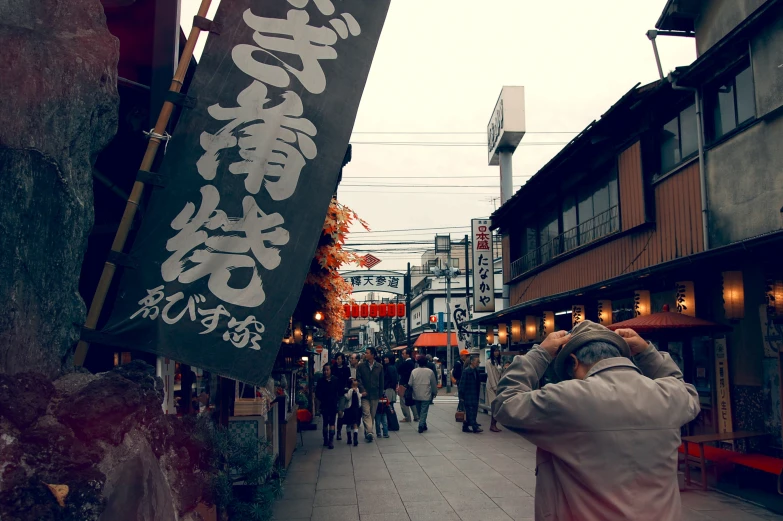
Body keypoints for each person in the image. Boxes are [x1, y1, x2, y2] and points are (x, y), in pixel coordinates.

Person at [492, 321, 701, 521]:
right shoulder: (668, 395)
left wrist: (540, 353)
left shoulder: (569, 398)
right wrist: (647, 352)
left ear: (574, 362)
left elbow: (506, 403)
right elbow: (682, 387)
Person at [356, 347, 384, 442]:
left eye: (367, 353)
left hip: (375, 394)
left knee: (372, 415)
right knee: (366, 413)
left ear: (373, 355)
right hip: (365, 394)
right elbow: (358, 380)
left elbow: (381, 381)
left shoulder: (379, 366)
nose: (365, 354)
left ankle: (367, 432)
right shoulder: (361, 366)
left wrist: (381, 393)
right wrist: (362, 390)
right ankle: (370, 432)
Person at [409, 355, 438, 433]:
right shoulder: (430, 372)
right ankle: (421, 425)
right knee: (424, 411)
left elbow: (410, 383)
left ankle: (422, 424)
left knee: (419, 411)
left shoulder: (414, 371)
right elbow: (433, 383)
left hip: (416, 394)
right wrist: (434, 392)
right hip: (426, 394)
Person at [315, 364, 341, 449]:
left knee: (332, 422)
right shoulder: (320, 381)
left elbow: (338, 392)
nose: (326, 372)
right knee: (325, 422)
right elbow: (317, 393)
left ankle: (331, 440)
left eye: (327, 370)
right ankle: (325, 439)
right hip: (324, 404)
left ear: (330, 371)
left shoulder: (335, 380)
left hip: (333, 404)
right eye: (324, 370)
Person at [459, 354, 482, 433]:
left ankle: (465, 426)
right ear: (472, 362)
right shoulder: (466, 371)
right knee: (470, 411)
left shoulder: (476, 371)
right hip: (468, 394)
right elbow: (462, 384)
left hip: (474, 393)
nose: (478, 363)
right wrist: (461, 396)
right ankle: (474, 427)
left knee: (473, 411)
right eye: (477, 361)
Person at [332, 353, 351, 441]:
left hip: (342, 393)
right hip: (333, 393)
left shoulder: (346, 369)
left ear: (343, 359)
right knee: (332, 413)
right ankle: (331, 431)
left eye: (339, 359)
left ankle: (339, 431)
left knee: (340, 412)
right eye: (337, 359)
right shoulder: (333, 368)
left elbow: (348, 380)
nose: (338, 361)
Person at [396, 348, 418, 422]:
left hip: (404, 383)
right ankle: (416, 416)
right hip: (410, 383)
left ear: (407, 354)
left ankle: (407, 416)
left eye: (403, 353)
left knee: (403, 400)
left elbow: (399, 370)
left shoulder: (406, 363)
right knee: (411, 400)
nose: (402, 355)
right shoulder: (413, 362)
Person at [485, 347, 504, 433]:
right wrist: (495, 387)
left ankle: (493, 424)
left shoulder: (499, 361)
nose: (497, 353)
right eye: (495, 351)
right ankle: (493, 425)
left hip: (499, 385)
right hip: (491, 386)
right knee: (494, 406)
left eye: (498, 351)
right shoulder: (488, 362)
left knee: (497, 406)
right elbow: (490, 376)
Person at [343, 378, 362, 446]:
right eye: (354, 381)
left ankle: (355, 439)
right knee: (348, 424)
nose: (356, 381)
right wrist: (351, 391)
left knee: (355, 423)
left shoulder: (357, 389)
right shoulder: (349, 390)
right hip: (349, 409)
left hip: (356, 409)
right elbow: (347, 397)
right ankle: (349, 438)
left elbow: (359, 397)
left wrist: (360, 394)